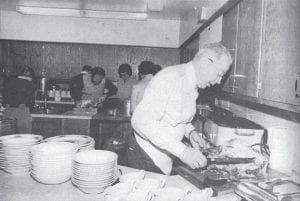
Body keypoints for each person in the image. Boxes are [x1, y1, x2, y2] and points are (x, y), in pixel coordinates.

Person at [129, 43, 233, 175]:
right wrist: (182, 151)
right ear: (207, 61)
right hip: (146, 157)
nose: (218, 81)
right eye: (219, 74)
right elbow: (140, 121)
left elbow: (175, 114)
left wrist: (190, 132)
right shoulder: (171, 78)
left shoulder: (191, 82)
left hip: (163, 157)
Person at [2, 67, 36, 133]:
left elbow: (4, 99)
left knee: (8, 138)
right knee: (24, 138)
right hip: (22, 111)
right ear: (31, 77)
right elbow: (31, 103)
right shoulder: (31, 85)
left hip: (8, 111)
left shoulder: (9, 82)